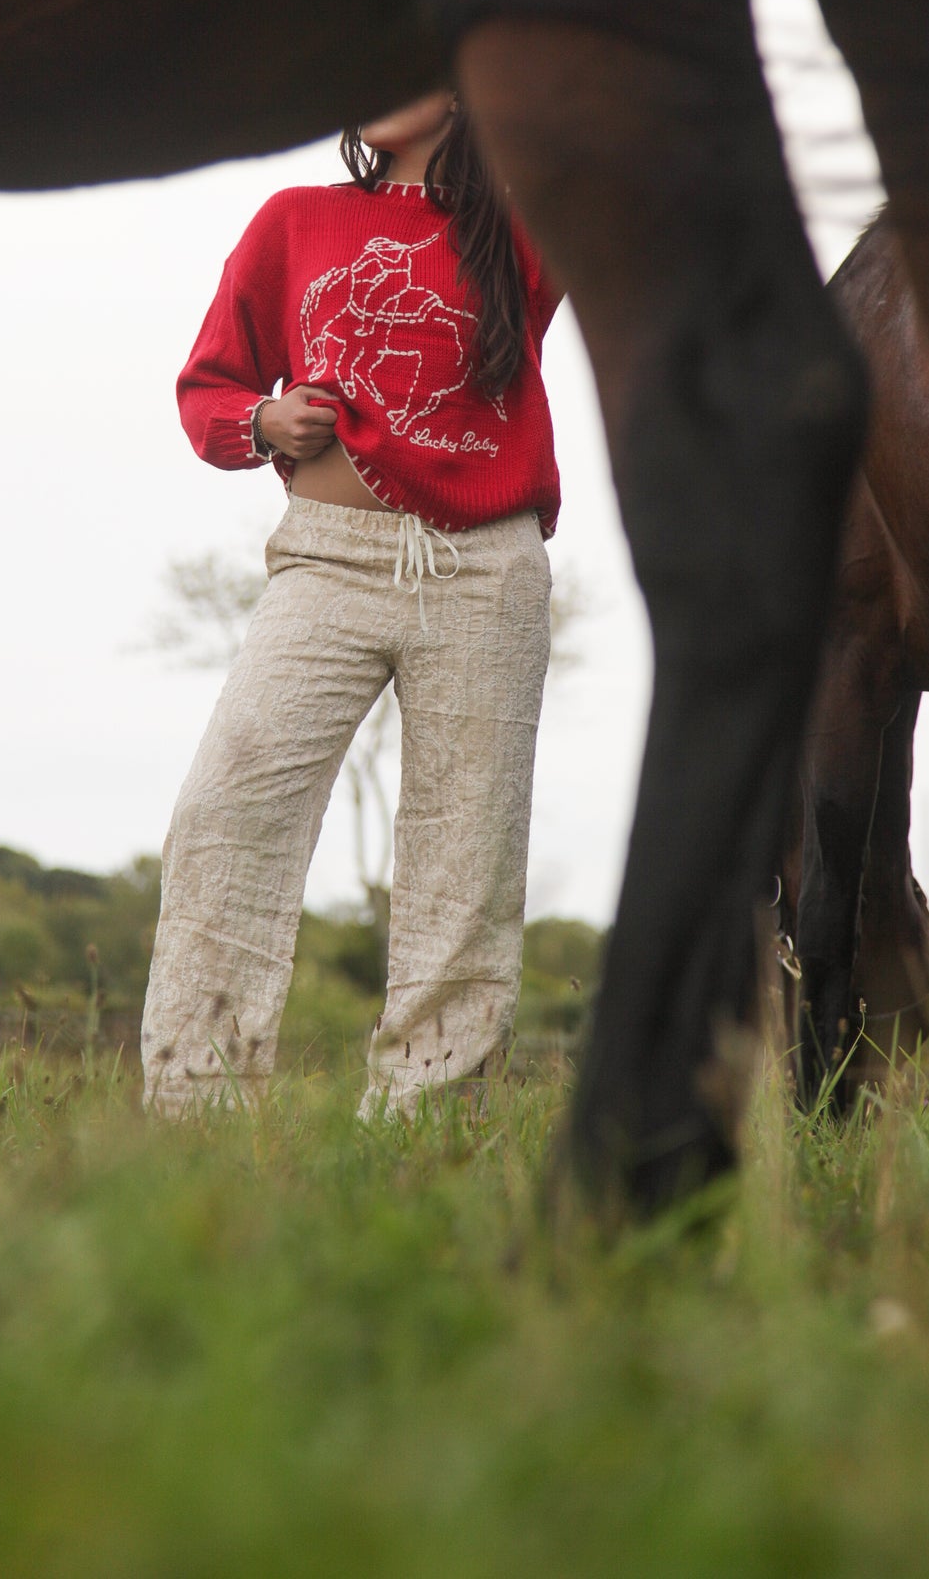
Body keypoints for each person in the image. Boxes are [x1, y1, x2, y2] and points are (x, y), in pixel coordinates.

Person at [140, 90, 562, 1115]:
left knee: (466, 856)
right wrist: (263, 418)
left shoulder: (523, 228)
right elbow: (208, 386)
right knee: (223, 809)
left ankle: (421, 1126)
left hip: (482, 568)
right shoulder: (295, 218)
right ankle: (196, 1112)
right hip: (324, 562)